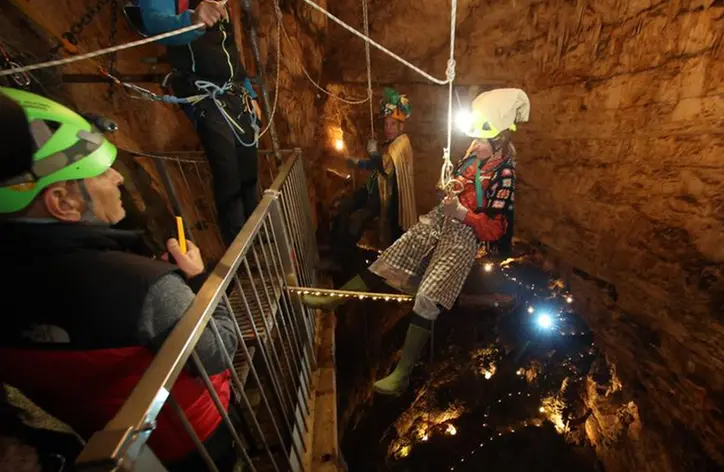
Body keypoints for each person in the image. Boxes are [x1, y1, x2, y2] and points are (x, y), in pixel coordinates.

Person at [0, 87, 238, 471]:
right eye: (98, 172)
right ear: (63, 201)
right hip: (195, 435)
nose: (117, 178)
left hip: (112, 439)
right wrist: (198, 280)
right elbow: (218, 350)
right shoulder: (145, 287)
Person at [305, 88, 529, 395]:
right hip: (441, 219)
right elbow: (460, 187)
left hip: (463, 236)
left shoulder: (505, 174)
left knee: (428, 295)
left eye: (480, 140)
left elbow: (495, 228)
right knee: (392, 258)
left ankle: (403, 374)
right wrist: (451, 189)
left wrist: (462, 213)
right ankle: (335, 299)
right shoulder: (473, 158)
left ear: (498, 141)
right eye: (474, 138)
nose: (473, 144)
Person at [139, 0, 262, 245]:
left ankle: (258, 231)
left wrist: (251, 93)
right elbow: (153, 21)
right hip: (203, 92)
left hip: (235, 93)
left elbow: (230, 51)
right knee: (227, 168)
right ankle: (239, 244)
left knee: (248, 165)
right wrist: (193, 20)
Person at [322, 87, 418, 271]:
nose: (388, 129)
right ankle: (335, 248)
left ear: (401, 126)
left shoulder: (402, 144)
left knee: (357, 219)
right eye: (386, 124)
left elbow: (383, 166)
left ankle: (342, 258)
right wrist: (358, 163)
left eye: (392, 125)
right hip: (372, 188)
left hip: (384, 197)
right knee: (344, 205)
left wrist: (372, 152)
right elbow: (378, 164)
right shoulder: (392, 143)